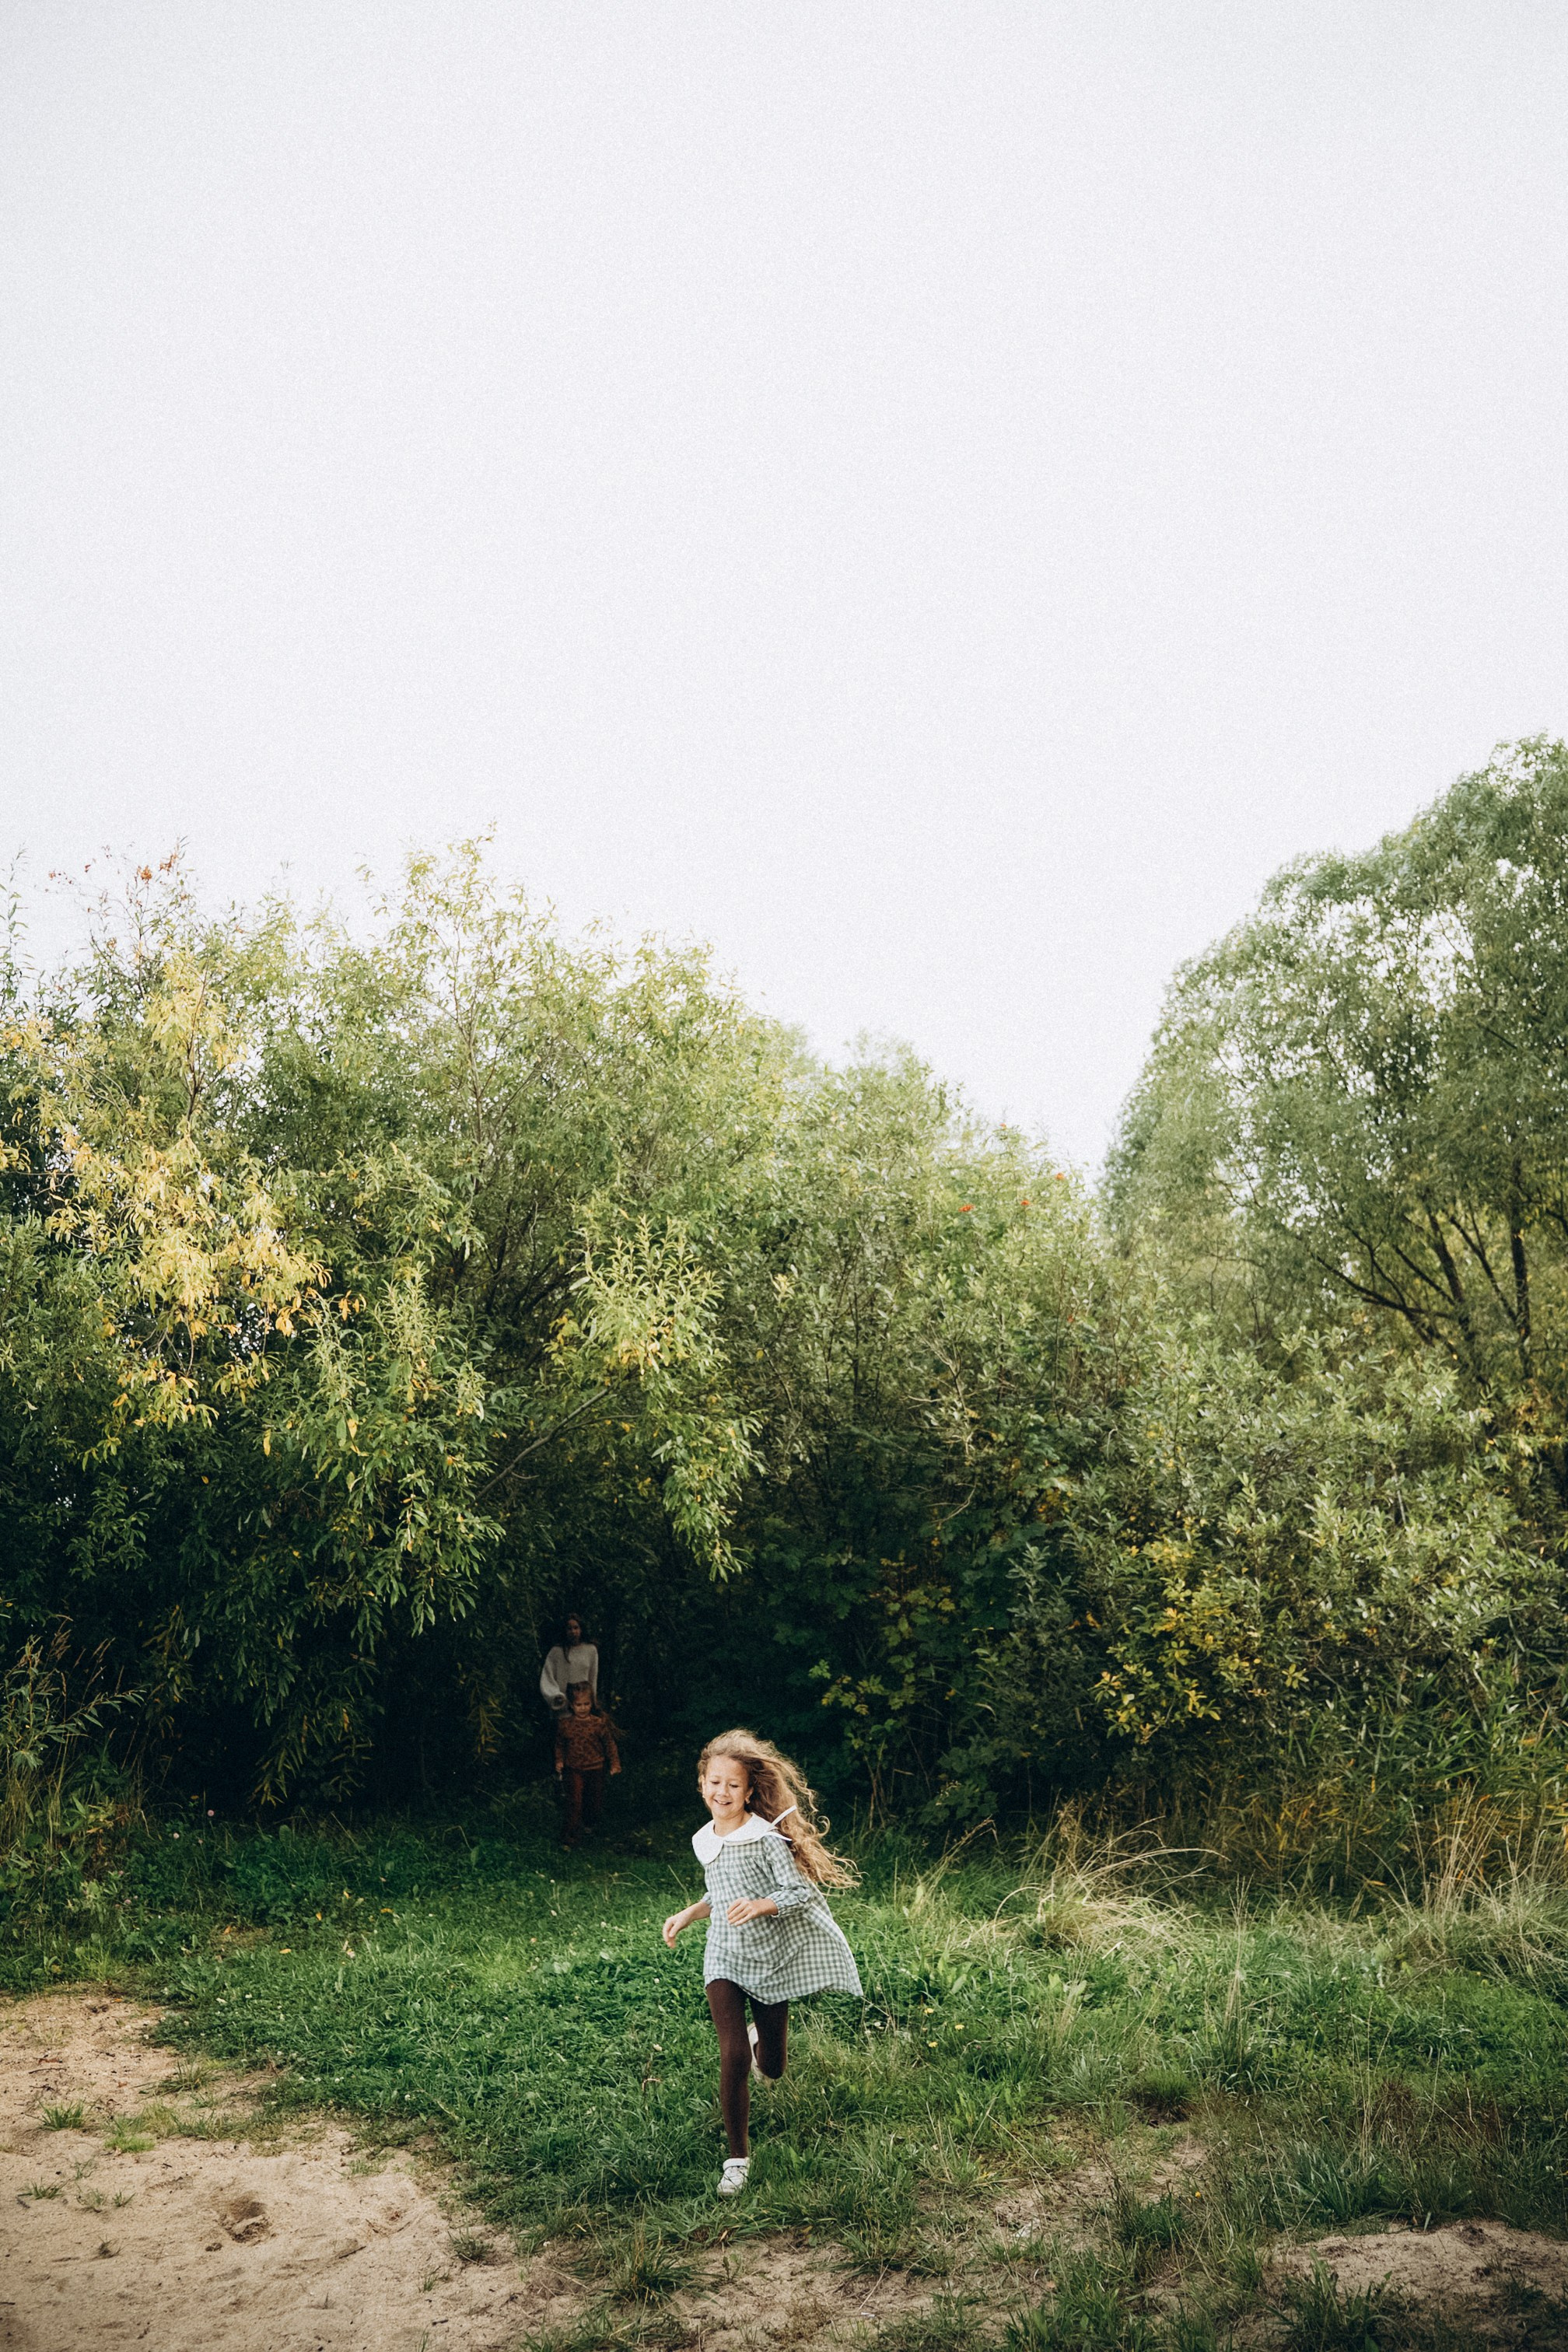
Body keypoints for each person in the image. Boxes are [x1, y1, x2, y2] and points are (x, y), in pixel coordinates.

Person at [661, 1728, 861, 2198]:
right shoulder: (703, 1839)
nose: (721, 1793)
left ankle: (763, 2045)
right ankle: (737, 2160)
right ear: (702, 1784)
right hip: (725, 1955)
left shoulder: (765, 1838)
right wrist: (690, 1913)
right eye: (714, 1782)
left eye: (733, 1785)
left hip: (770, 1961)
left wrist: (761, 1904)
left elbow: (797, 1892)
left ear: (749, 1791)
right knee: (731, 2056)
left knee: (771, 2066)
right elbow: (720, 1892)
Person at [555, 1678, 620, 1846]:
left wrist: (614, 1763)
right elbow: (560, 1745)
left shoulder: (598, 1724)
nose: (583, 1708)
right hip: (574, 1768)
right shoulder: (566, 1725)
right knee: (574, 1801)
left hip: (596, 1768)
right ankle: (569, 1836)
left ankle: (589, 1825)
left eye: (586, 1704)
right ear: (571, 1705)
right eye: (579, 1705)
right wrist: (560, 1761)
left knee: (594, 1801)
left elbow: (609, 1744)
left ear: (592, 1703)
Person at [539, 1613, 598, 1714]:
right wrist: (555, 1695)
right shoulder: (556, 1652)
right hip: (564, 1704)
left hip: (583, 1704)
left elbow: (593, 1678)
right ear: (565, 1631)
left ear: (581, 1629)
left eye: (576, 1628)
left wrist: (592, 1701)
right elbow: (547, 1676)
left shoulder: (591, 1650)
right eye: (569, 1629)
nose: (573, 1632)